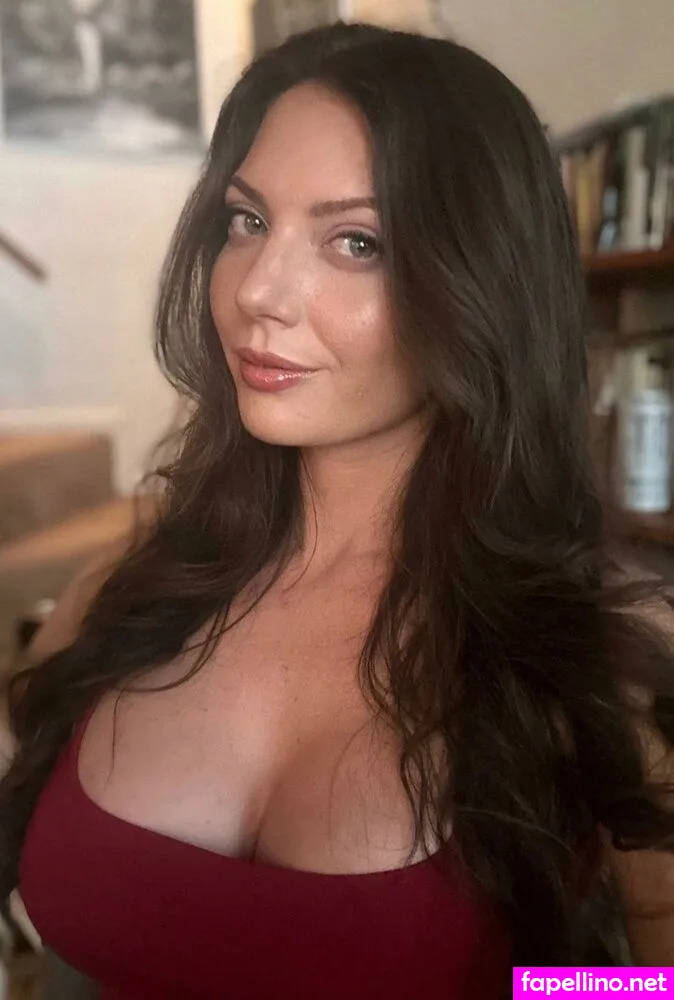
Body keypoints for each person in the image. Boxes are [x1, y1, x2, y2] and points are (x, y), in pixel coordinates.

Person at [1, 20, 673, 999]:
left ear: (482, 284)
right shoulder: (138, 582)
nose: (259, 292)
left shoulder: (604, 650)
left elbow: (652, 978)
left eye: (356, 242)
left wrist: (538, 991)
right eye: (246, 221)